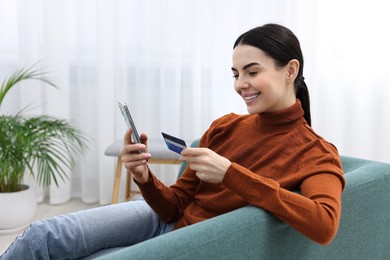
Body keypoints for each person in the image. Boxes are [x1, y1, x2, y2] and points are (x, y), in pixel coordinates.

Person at [1, 23, 345, 259]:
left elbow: (324, 224)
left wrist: (230, 174)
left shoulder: (316, 153)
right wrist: (144, 178)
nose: (241, 84)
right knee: (43, 237)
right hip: (164, 220)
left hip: (193, 242)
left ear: (290, 70)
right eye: (236, 74)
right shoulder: (226, 126)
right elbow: (174, 205)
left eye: (252, 72)